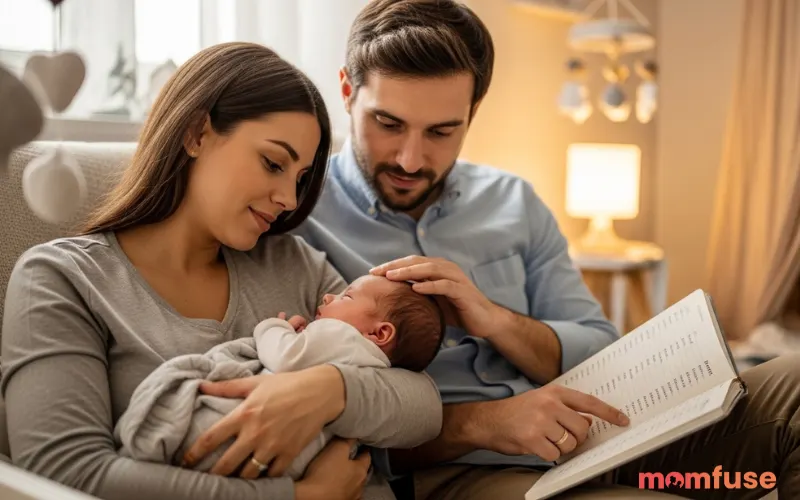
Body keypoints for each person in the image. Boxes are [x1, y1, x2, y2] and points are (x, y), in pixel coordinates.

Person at [292, 0, 800, 498]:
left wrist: (493, 320)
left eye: (442, 132)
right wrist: (483, 424)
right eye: (388, 124)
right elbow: (324, 425)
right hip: (468, 471)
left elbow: (599, 347)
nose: (410, 158)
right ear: (347, 92)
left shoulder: (513, 200)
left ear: (473, 112)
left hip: (601, 436)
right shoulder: (298, 216)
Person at [0, 42, 444, 500]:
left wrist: (329, 389)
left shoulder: (294, 265)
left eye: (300, 178)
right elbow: (66, 473)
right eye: (273, 163)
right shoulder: (63, 279)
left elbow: (423, 407)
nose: (290, 200)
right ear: (196, 133)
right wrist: (300, 497)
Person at [114, 275, 446, 481]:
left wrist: (274, 328)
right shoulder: (376, 363)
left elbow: (286, 357)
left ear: (380, 333)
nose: (328, 297)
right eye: (272, 164)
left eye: (345, 297)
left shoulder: (340, 335)